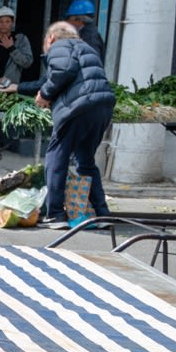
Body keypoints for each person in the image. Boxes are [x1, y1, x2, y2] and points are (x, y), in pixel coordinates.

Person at [37, 21, 115, 228]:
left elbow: (63, 71)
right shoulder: (86, 48)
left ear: (51, 38)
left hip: (78, 108)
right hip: (103, 106)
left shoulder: (60, 47)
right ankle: (101, 214)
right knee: (86, 160)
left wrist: (45, 94)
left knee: (56, 156)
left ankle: (55, 214)